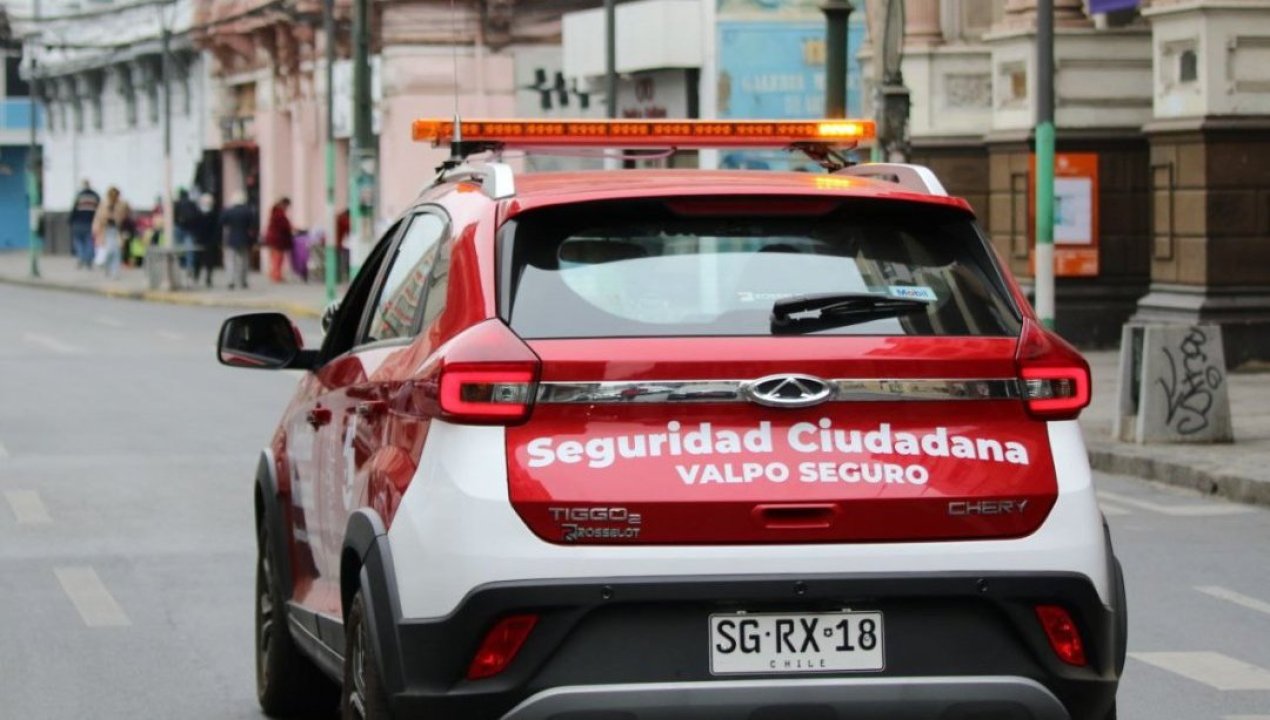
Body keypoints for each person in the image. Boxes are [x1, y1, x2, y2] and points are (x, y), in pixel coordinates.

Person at [91, 187, 130, 279]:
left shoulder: (122, 204)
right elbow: (98, 217)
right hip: (105, 230)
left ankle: (115, 271)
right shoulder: (104, 204)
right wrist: (96, 229)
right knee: (108, 251)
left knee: (116, 251)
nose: (114, 197)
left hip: (117, 230)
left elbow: (125, 216)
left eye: (116, 195)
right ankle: (107, 268)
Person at [221, 191, 257, 290]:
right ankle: (243, 281)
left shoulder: (228, 211)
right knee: (244, 261)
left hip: (231, 238)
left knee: (230, 261)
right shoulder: (248, 211)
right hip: (245, 239)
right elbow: (253, 226)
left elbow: (221, 222)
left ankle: (231, 281)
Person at [191, 193, 221, 288]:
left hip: (204, 240)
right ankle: (203, 277)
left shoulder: (201, 214)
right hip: (207, 240)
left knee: (202, 260)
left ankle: (201, 277)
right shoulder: (211, 214)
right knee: (205, 260)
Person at [69, 180, 100, 269]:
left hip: (78, 223)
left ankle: (81, 258)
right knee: (89, 242)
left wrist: (71, 221)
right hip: (90, 222)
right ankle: (88, 260)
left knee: (78, 242)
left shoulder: (79, 195)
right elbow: (99, 210)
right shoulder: (95, 196)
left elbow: (74, 209)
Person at [264, 197, 293, 283]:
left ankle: (274, 274)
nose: (287, 208)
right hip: (278, 239)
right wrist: (291, 228)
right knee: (278, 258)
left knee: (274, 257)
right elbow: (284, 225)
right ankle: (276, 275)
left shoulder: (275, 211)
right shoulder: (279, 213)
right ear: (284, 204)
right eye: (287, 206)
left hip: (273, 238)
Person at [174, 188, 199, 272]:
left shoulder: (177, 203)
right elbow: (197, 215)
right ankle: (189, 266)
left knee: (179, 247)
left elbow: (174, 215)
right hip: (190, 229)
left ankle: (181, 263)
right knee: (190, 248)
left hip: (179, 227)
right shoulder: (192, 204)